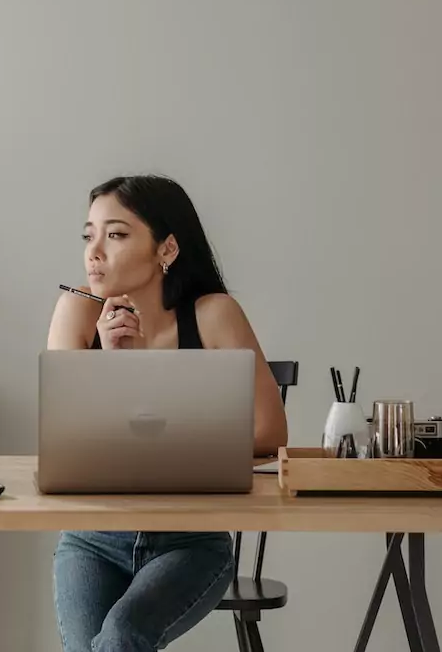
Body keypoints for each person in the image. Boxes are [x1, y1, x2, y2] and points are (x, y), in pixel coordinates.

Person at [47, 174, 288, 652]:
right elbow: (65, 439)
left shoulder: (214, 314)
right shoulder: (76, 311)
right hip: (93, 538)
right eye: (88, 235)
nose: (94, 251)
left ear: (168, 249)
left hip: (192, 541)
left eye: (115, 234)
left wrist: (142, 374)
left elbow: (270, 430)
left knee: (120, 638)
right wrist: (115, 366)